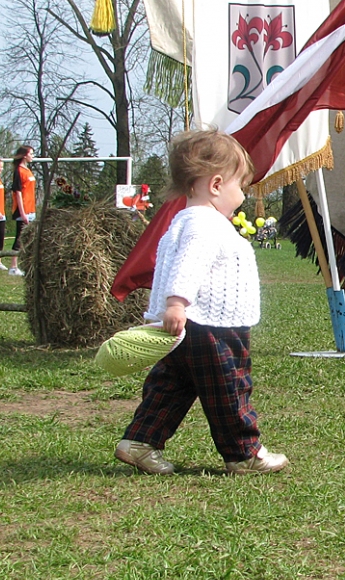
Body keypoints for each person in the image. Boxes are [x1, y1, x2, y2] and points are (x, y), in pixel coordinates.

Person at [117, 129, 287, 476]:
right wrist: (177, 303)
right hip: (211, 325)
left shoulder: (183, 221)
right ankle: (243, 452)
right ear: (216, 185)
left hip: (184, 327)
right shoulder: (206, 226)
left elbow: (169, 264)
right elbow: (188, 264)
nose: (242, 195)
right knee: (229, 384)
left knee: (172, 384)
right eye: (240, 186)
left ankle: (139, 440)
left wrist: (170, 311)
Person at [7, 145, 36, 277]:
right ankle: (13, 266)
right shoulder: (18, 171)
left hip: (31, 209)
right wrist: (22, 212)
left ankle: (27, 265)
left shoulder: (28, 170)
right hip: (22, 210)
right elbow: (17, 192)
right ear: (24, 155)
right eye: (31, 153)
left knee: (29, 239)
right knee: (19, 237)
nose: (33, 156)